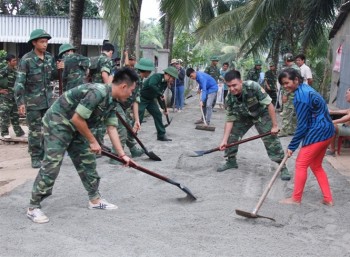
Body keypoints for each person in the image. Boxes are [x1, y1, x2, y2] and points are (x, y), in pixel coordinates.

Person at [26, 68, 139, 224]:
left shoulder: (113, 101)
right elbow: (77, 118)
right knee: (52, 163)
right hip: (58, 122)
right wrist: (93, 141)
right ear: (123, 87)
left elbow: (111, 128)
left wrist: (122, 155)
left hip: (77, 127)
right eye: (132, 90)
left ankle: (95, 199)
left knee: (87, 161)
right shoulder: (97, 92)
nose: (131, 94)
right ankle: (33, 207)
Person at [217, 70, 291, 181]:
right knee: (231, 136)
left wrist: (275, 126)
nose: (232, 89)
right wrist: (224, 140)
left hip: (261, 113)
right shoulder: (230, 98)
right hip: (244, 116)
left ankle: (282, 167)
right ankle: (231, 161)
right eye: (229, 86)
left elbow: (269, 104)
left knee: (270, 139)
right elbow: (229, 120)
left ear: (241, 82)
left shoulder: (253, 86)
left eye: (234, 85)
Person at [278, 68, 334, 206]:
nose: (285, 86)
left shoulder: (301, 97)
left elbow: (302, 126)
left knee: (301, 164)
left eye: (287, 82)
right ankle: (328, 199)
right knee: (316, 165)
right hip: (328, 131)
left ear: (296, 80)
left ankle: (296, 199)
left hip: (318, 132)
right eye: (283, 84)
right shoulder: (306, 89)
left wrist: (292, 146)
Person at [14, 29, 64, 168]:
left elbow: (53, 76)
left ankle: (45, 154)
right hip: (33, 102)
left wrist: (59, 69)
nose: (45, 44)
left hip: (48, 101)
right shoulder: (26, 60)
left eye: (46, 41)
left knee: (48, 129)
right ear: (34, 43)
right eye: (42, 42)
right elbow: (19, 83)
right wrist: (21, 102)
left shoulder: (49, 57)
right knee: (35, 131)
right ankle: (35, 157)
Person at [109, 58, 155, 165]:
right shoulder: (134, 79)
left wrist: (137, 120)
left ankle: (134, 149)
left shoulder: (138, 79)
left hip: (124, 106)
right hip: (116, 103)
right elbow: (135, 99)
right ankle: (115, 156)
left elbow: (135, 99)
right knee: (122, 129)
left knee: (129, 126)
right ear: (147, 71)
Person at [139, 66, 178, 141]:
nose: (173, 80)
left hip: (151, 100)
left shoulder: (165, 84)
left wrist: (164, 109)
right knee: (139, 115)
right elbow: (151, 85)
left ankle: (161, 135)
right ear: (168, 75)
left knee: (158, 114)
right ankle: (132, 134)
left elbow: (160, 97)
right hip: (142, 98)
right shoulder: (157, 77)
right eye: (173, 78)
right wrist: (160, 94)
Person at [90, 42, 115, 145]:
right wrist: (109, 90)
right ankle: (99, 145)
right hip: (102, 92)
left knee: (92, 120)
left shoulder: (94, 59)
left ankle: (93, 144)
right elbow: (105, 75)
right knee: (100, 121)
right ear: (110, 52)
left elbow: (88, 75)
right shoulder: (107, 60)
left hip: (92, 90)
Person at [0, 54, 26, 139]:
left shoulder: (15, 71)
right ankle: (4, 133)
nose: (15, 62)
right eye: (13, 60)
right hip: (5, 98)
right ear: (8, 62)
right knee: (5, 115)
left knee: (15, 115)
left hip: (13, 97)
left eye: (16, 60)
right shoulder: (4, 70)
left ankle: (19, 132)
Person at [278, 53, 300, 137]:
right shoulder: (297, 68)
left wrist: (285, 94)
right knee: (294, 112)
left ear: (286, 60)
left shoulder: (290, 70)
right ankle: (292, 129)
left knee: (286, 112)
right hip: (296, 94)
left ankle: (284, 130)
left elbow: (288, 85)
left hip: (290, 94)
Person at [326, 88, 350, 156]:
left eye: (347, 93)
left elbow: (347, 118)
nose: (345, 95)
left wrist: (332, 122)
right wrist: (332, 111)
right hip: (347, 127)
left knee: (332, 126)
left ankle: (332, 150)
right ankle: (329, 145)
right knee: (332, 124)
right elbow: (345, 111)